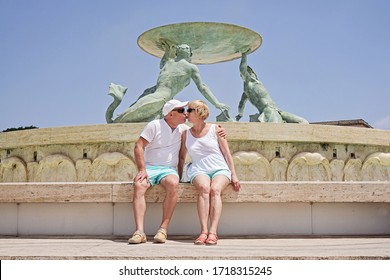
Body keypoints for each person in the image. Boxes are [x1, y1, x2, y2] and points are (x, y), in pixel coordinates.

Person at [106, 42, 230, 123]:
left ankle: (117, 99)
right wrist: (216, 103)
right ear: (190, 54)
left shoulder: (169, 62)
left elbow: (162, 63)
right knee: (117, 122)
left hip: (156, 98)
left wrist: (166, 51)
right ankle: (117, 99)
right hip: (159, 100)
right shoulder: (190, 67)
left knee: (118, 121)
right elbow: (202, 87)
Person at [179, 100, 240, 245]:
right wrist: (179, 176)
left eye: (190, 110)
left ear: (199, 112)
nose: (187, 113)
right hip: (199, 169)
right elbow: (181, 157)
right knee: (204, 188)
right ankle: (203, 231)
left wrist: (234, 175)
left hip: (220, 168)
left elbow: (226, 153)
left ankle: (213, 232)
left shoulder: (216, 129)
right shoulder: (185, 134)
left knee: (215, 189)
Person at [128, 99, 189, 244]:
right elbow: (139, 146)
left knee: (173, 183)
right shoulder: (154, 125)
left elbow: (182, 155)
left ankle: (163, 230)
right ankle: (139, 232)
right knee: (139, 185)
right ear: (170, 114)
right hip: (149, 167)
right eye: (181, 110)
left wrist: (218, 128)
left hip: (168, 170)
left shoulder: (184, 130)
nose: (185, 113)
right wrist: (142, 170)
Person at [235, 51, 309, 123]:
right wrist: (244, 54)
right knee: (303, 122)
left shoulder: (250, 88)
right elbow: (241, 105)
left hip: (274, 110)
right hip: (269, 111)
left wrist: (240, 115)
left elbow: (241, 106)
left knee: (303, 122)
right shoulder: (247, 90)